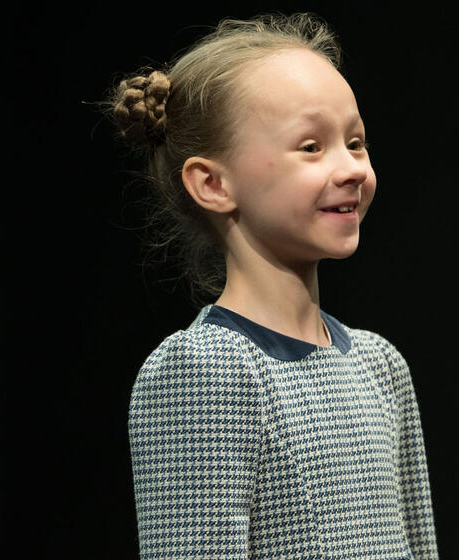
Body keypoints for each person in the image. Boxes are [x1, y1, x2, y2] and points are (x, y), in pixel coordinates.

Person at [107, 13, 440, 560]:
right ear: (213, 183)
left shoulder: (381, 367)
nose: (352, 169)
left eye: (356, 143)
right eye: (311, 146)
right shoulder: (206, 371)